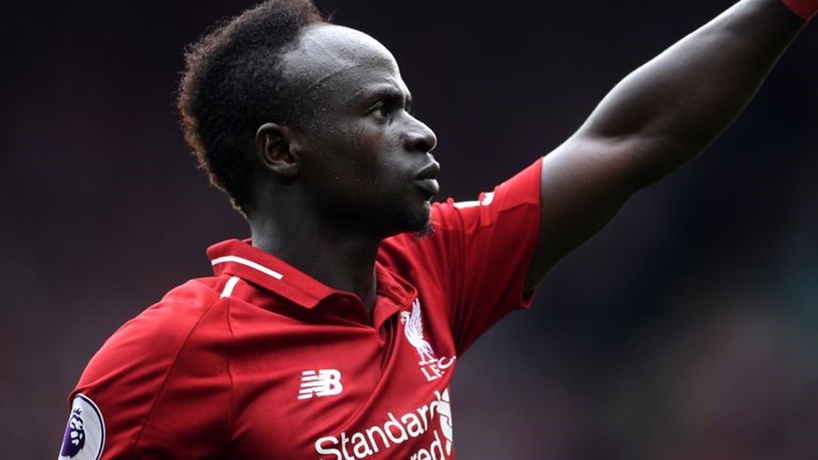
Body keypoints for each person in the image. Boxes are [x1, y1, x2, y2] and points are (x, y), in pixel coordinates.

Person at [58, 0, 815, 458]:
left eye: (409, 106)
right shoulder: (169, 357)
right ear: (282, 150)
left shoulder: (428, 270)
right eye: (380, 110)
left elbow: (628, 141)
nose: (421, 133)